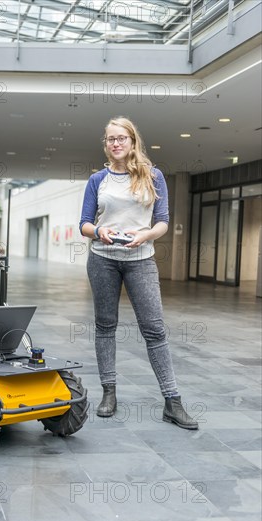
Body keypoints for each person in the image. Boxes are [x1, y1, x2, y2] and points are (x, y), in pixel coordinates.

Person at [79, 116, 198, 430]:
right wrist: (98, 231)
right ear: (105, 144)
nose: (115, 144)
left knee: (154, 329)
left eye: (121, 138)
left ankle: (172, 401)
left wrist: (145, 236)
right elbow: (84, 224)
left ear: (133, 141)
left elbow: (162, 221)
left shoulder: (153, 175)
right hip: (103, 258)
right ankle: (109, 393)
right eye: (110, 139)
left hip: (141, 260)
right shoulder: (97, 180)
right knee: (106, 326)